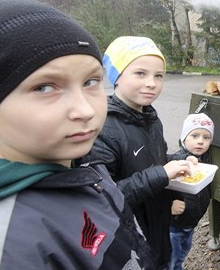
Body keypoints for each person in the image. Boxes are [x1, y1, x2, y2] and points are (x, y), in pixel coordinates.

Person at [0, 0, 158, 269]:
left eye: (91, 82)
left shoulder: (84, 161)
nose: (85, 110)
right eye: (45, 88)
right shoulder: (2, 249)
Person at [76, 36, 194, 269]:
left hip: (158, 229)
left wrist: (179, 160)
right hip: (129, 244)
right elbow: (103, 197)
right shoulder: (102, 129)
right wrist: (162, 174)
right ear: (116, 77)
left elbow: (154, 162)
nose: (152, 83)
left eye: (158, 76)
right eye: (140, 73)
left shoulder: (151, 117)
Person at [168, 113, 215, 270]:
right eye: (194, 135)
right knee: (170, 259)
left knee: (182, 255)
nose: (200, 141)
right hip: (175, 225)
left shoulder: (205, 160)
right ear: (183, 139)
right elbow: (160, 183)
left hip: (191, 223)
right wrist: (170, 204)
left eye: (206, 137)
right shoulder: (175, 160)